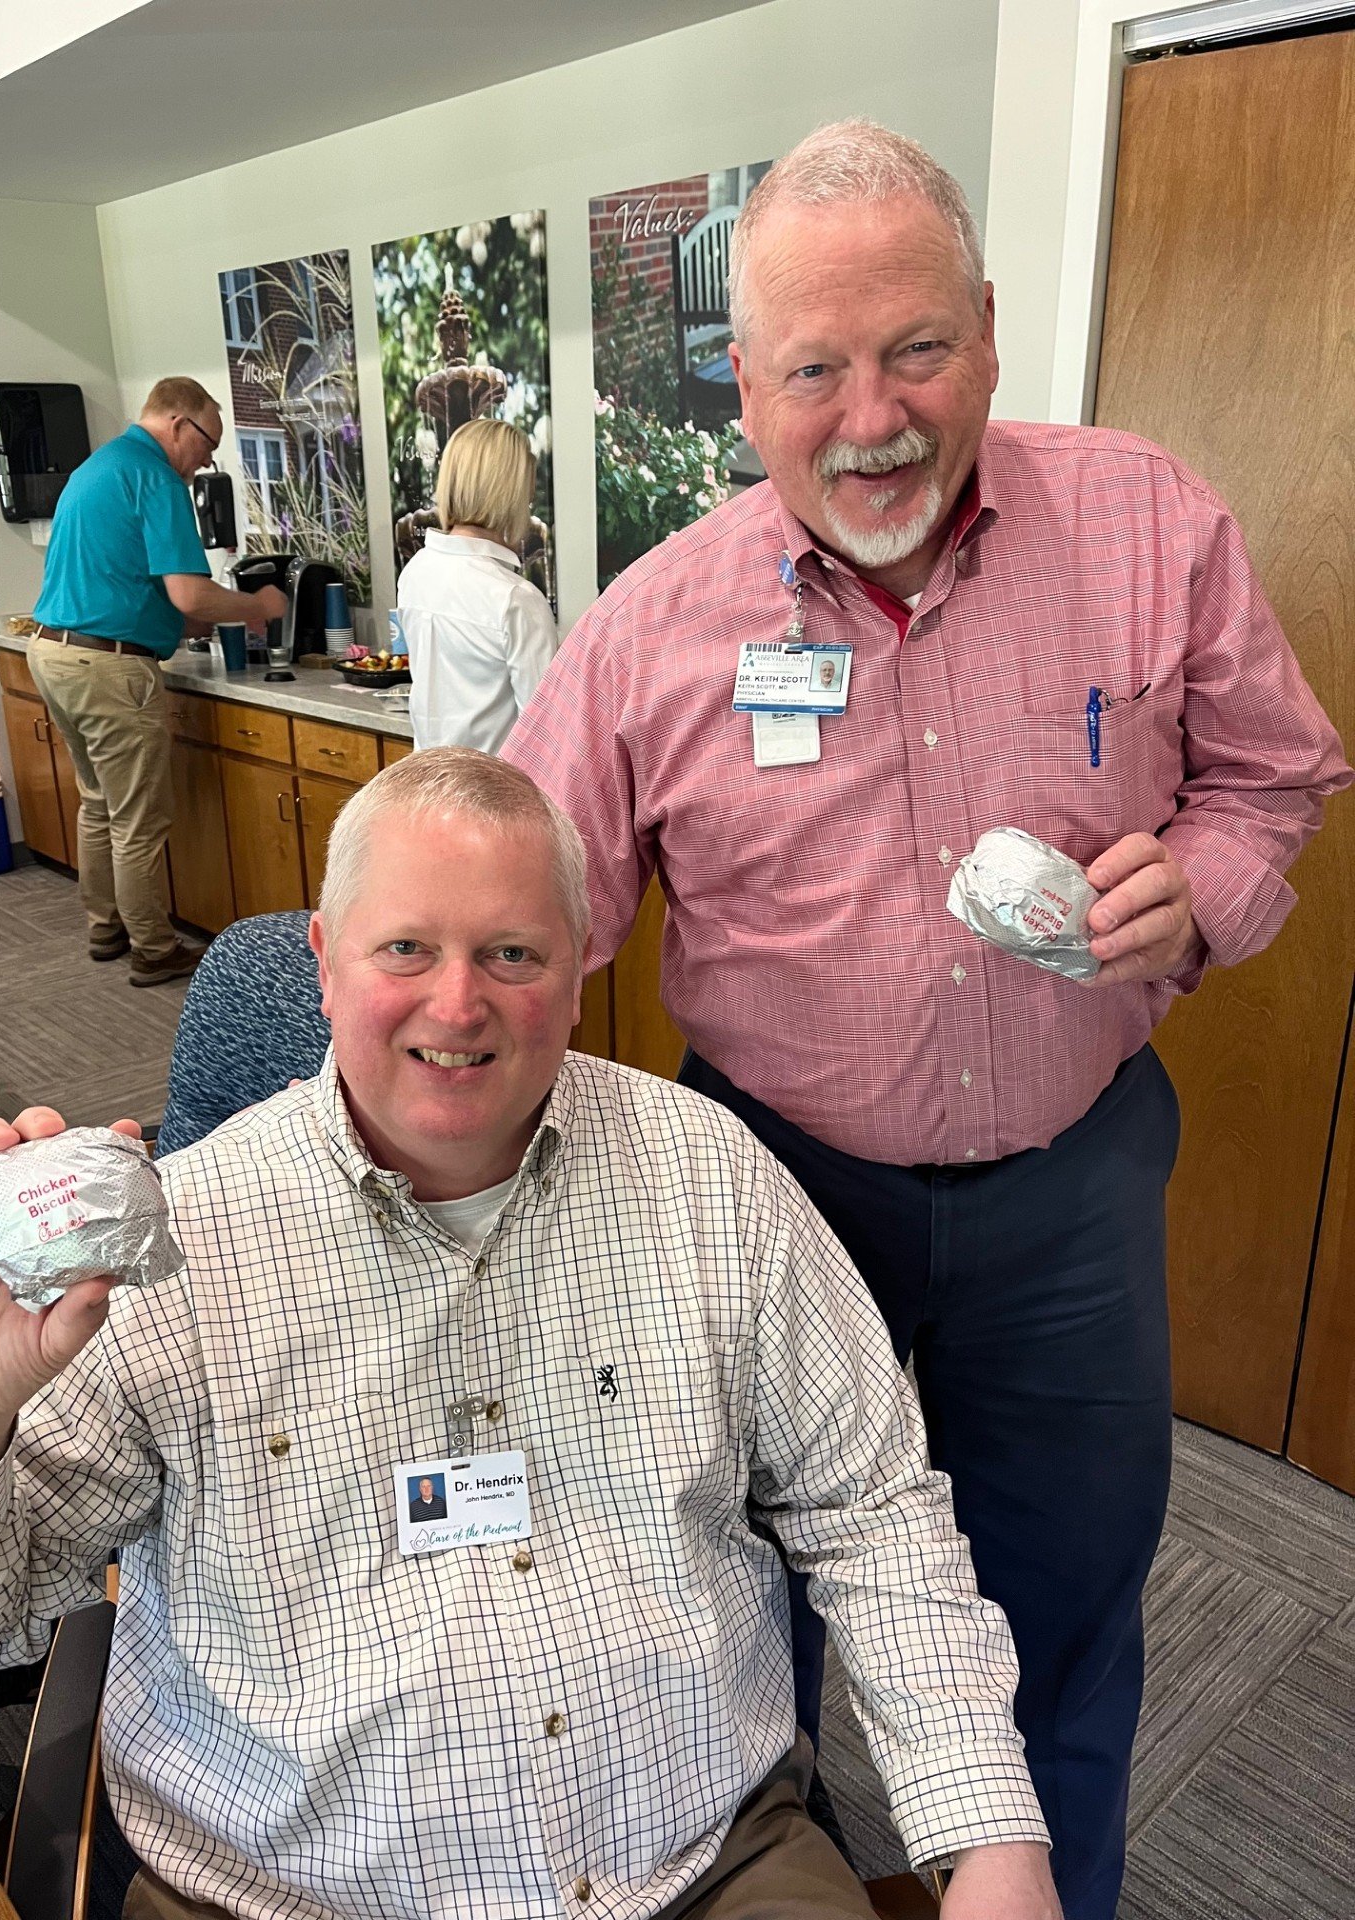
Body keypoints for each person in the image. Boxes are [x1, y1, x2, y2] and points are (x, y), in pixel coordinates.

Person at [502, 120, 1353, 1920]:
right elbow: (521, 924)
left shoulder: (1148, 520)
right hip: (764, 1195)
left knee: (1064, 1614)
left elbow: (1280, 780)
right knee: (746, 1624)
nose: (871, 417)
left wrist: (1203, 883)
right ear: (743, 388)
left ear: (984, 323)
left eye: (916, 351)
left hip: (1072, 1192)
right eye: (813, 368)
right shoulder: (653, 629)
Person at [0, 749, 1060, 1920]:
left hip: (700, 1862)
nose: (456, 1005)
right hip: (286, 1893)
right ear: (324, 960)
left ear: (577, 974)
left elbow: (870, 1511)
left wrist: (988, 1834)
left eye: (512, 954)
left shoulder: (714, 1179)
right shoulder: (168, 1246)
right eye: (405, 947)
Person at [28, 377, 288, 987]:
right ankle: (153, 946)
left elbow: (154, 592)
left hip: (55, 652)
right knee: (139, 817)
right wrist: (264, 606)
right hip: (111, 667)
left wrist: (199, 615)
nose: (205, 463)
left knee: (98, 802)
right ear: (178, 424)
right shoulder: (156, 477)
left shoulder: (97, 469)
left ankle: (105, 924)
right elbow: (189, 592)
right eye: (207, 445)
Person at [397, 417, 558, 752]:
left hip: (428, 786)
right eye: (527, 496)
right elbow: (547, 736)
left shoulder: (415, 572)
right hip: (494, 796)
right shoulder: (515, 599)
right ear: (510, 496)